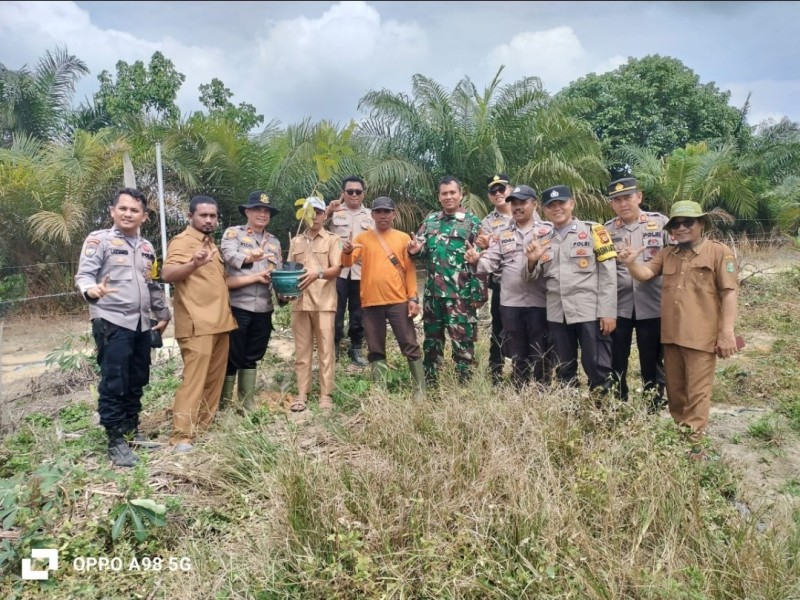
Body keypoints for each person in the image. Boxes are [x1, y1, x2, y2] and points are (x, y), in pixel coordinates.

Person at [617, 201, 740, 458]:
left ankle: (694, 446)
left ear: (701, 224)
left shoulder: (718, 253)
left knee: (697, 392)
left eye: (688, 222)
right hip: (671, 336)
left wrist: (727, 333)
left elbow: (729, 294)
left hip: (701, 337)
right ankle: (680, 436)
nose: (681, 228)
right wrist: (630, 263)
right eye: (676, 224)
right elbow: (645, 273)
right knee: (675, 393)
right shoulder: (667, 254)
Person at [75, 188, 171, 467]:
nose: (128, 214)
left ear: (144, 216)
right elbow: (84, 274)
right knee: (114, 381)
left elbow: (152, 284)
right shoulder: (99, 240)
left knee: (138, 378)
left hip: (142, 324)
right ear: (112, 211)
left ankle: (131, 430)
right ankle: (115, 440)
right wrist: (92, 290)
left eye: (135, 210)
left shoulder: (146, 248)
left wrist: (163, 314)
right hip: (112, 321)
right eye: (123, 209)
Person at [524, 185, 618, 393]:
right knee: (564, 368)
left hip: (589, 312)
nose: (557, 209)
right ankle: (570, 412)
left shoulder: (593, 230)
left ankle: (601, 414)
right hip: (558, 315)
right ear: (545, 210)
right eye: (551, 205)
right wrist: (531, 262)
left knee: (597, 366)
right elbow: (531, 278)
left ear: (572, 204)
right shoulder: (542, 239)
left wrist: (608, 312)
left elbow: (608, 274)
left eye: (562, 203)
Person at [161, 196, 237, 452]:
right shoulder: (183, 242)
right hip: (197, 325)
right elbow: (167, 274)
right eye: (203, 215)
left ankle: (201, 428)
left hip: (220, 322)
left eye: (212, 216)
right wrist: (193, 263)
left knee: (213, 381)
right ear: (190, 216)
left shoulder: (211, 244)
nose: (208, 220)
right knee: (194, 381)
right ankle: (182, 436)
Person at [466, 185, 549, 388]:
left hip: (540, 300)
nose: (518, 207)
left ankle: (542, 388)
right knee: (517, 349)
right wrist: (476, 260)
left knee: (541, 349)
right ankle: (519, 386)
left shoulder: (547, 231)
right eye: (515, 203)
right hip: (511, 302)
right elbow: (490, 262)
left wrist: (533, 261)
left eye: (523, 202)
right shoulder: (503, 234)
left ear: (534, 204)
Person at [340, 196, 424, 397]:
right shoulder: (362, 238)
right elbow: (348, 263)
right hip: (370, 303)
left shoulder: (403, 238)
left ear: (394, 214)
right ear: (372, 215)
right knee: (375, 347)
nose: (382, 215)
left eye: (387, 211)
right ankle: (381, 390)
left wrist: (412, 298)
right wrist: (346, 251)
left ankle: (420, 389)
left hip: (398, 302)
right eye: (378, 211)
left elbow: (410, 271)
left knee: (409, 344)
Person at [407, 175, 487, 384]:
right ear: (439, 197)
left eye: (453, 192)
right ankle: (431, 382)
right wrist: (415, 251)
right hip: (433, 295)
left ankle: (464, 384)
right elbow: (421, 251)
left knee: (463, 341)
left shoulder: (473, 223)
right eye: (444, 193)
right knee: (432, 342)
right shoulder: (430, 221)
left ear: (461, 195)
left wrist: (479, 293)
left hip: (459, 295)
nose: (449, 196)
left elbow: (481, 260)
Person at [604, 177, 669, 410]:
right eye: (617, 200)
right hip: (619, 305)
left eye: (627, 197)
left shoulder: (660, 224)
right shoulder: (606, 230)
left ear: (639, 197)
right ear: (611, 204)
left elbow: (676, 261)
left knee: (651, 358)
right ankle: (618, 402)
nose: (623, 204)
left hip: (653, 303)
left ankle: (653, 404)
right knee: (617, 357)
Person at [220, 190, 282, 410]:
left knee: (253, 354)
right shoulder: (234, 234)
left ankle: (247, 402)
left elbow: (278, 274)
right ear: (247, 211)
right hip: (239, 305)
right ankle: (225, 404)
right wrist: (249, 258)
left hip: (263, 307)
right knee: (232, 355)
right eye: (257, 209)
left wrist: (285, 292)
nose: (262, 214)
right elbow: (228, 255)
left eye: (266, 210)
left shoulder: (274, 242)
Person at [286, 197, 343, 412]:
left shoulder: (332, 239)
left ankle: (326, 394)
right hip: (300, 303)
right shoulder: (296, 242)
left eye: (319, 212)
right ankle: (302, 393)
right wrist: (286, 291)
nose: (316, 216)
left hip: (324, 303)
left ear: (325, 215)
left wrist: (317, 273)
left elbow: (337, 269)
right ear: (304, 214)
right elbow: (290, 269)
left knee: (326, 350)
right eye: (311, 212)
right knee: (302, 351)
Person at [325, 175, 373, 366]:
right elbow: (314, 224)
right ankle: (334, 345)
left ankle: (356, 347)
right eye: (350, 191)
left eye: (358, 192)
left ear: (363, 194)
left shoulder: (371, 216)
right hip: (338, 270)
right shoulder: (334, 212)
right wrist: (329, 211)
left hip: (361, 271)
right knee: (335, 311)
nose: (354, 195)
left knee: (358, 312)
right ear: (343, 193)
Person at [476, 174, 514, 385]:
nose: (498, 194)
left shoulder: (529, 212)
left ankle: (527, 367)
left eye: (502, 189)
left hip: (531, 282)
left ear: (510, 189)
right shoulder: (488, 223)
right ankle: (496, 372)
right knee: (499, 329)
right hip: (502, 282)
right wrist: (483, 246)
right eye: (493, 191)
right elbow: (484, 255)